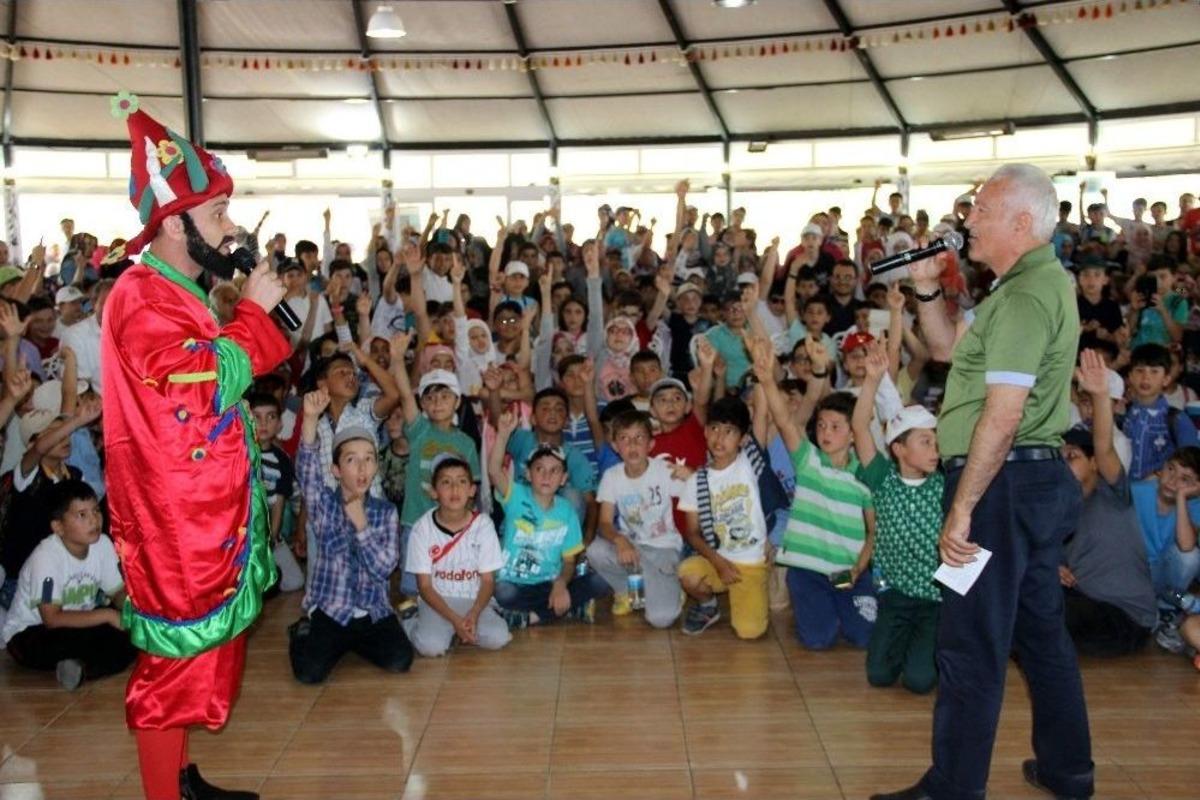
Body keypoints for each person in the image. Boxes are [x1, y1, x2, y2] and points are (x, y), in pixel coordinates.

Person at [872, 164, 1092, 800]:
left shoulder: (1024, 297)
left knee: (970, 641)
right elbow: (944, 347)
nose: (967, 219)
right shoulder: (1021, 288)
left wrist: (963, 505)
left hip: (1001, 484)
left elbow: (1005, 409)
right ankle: (1067, 769)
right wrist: (925, 286)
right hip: (1029, 480)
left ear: (1022, 222)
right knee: (1038, 632)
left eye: (983, 209)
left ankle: (954, 786)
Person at [101, 97, 292, 800]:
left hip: (202, 510)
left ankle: (181, 781)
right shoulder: (139, 297)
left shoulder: (177, 288)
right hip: (175, 520)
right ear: (174, 221)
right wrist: (252, 314)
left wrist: (246, 314)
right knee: (171, 669)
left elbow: (234, 362)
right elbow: (204, 377)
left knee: (195, 660)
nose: (231, 226)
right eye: (217, 214)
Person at [753, 337, 877, 650]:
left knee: (864, 638)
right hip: (809, 572)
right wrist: (767, 379)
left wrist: (858, 568)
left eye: (836, 427)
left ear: (854, 433)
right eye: (822, 425)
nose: (825, 433)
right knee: (818, 640)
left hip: (849, 570)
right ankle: (819, 608)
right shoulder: (807, 460)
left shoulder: (866, 474)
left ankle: (849, 604)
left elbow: (875, 531)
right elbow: (783, 420)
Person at [289, 389, 412, 683]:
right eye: (352, 460)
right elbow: (307, 473)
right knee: (308, 673)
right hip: (332, 609)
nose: (362, 468)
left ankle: (353, 644)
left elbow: (384, 568)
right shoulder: (323, 505)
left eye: (369, 459)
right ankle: (301, 630)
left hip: (373, 612)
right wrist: (309, 419)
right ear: (335, 469)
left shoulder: (385, 512)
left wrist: (362, 527)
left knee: (400, 660)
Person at [852, 344, 943, 694]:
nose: (934, 450)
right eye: (925, 442)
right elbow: (860, 426)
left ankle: (927, 648)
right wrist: (873, 380)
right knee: (878, 676)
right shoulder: (883, 480)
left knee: (920, 682)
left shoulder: (944, 485)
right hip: (895, 596)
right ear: (899, 449)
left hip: (935, 600)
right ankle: (906, 645)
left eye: (935, 442)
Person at [1060, 350, 1157, 657]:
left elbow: (1103, 445)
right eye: (1060, 459)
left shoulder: (1113, 492)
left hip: (1126, 617)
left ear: (1093, 465)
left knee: (1042, 613)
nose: (1064, 465)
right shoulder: (1055, 511)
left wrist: (1101, 395)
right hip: (1086, 608)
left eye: (1073, 457)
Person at [2, 479, 136, 689]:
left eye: (96, 511)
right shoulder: (45, 560)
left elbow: (117, 591)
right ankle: (84, 666)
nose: (94, 520)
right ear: (58, 527)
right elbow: (52, 618)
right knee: (83, 637)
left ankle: (77, 668)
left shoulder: (102, 545)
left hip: (80, 623)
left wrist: (134, 610)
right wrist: (110, 616)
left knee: (127, 633)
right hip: (31, 633)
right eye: (82, 515)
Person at [488, 409, 610, 628]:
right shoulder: (515, 496)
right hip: (514, 583)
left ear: (563, 479)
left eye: (554, 471)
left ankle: (529, 616)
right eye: (539, 469)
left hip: (549, 583)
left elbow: (569, 560)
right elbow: (495, 470)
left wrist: (561, 585)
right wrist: (503, 435)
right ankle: (563, 610)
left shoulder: (566, 511)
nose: (546, 476)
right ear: (528, 474)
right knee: (502, 592)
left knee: (601, 581)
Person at [675, 396, 772, 639]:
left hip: (751, 563)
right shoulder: (697, 480)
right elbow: (693, 534)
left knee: (750, 632)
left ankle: (751, 593)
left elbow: (761, 416)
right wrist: (718, 562)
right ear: (705, 432)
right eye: (715, 429)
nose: (719, 438)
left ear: (743, 438)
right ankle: (708, 606)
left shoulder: (750, 462)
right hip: (718, 560)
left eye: (729, 431)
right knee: (688, 574)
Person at [402, 456, 510, 657]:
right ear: (434, 492)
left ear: (472, 490)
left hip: (474, 600)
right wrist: (454, 619)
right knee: (431, 647)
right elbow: (424, 586)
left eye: (462, 481)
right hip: (437, 601)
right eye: (446, 482)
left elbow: (487, 580)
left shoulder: (483, 525)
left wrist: (474, 613)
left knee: (498, 638)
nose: (455, 489)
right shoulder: (421, 529)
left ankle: (459, 631)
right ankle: (411, 622)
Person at [589, 410, 686, 627]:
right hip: (632, 547)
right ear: (615, 446)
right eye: (624, 438)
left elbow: (695, 494)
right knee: (595, 550)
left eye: (639, 438)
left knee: (660, 619)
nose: (632, 445)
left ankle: (666, 588)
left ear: (651, 444)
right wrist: (621, 541)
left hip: (663, 549)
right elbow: (604, 523)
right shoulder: (612, 476)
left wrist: (691, 475)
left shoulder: (663, 470)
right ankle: (626, 590)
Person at [1122, 343, 1198, 480]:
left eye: (1154, 371)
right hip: (1125, 492)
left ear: (1166, 379)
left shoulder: (1177, 419)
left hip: (1160, 494)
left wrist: (1160, 475)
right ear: (1130, 377)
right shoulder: (1123, 416)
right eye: (1139, 371)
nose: (1145, 378)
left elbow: (1193, 462)